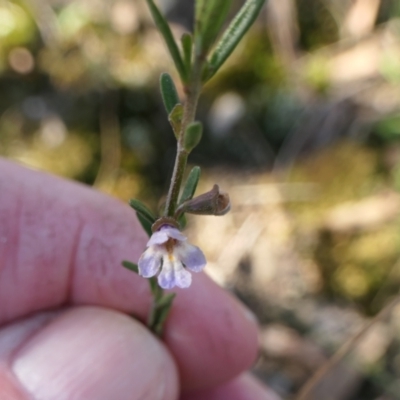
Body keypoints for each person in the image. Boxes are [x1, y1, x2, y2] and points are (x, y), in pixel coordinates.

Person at [0, 158, 280, 400]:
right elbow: (150, 263)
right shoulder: (156, 251)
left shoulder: (175, 245)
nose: (169, 244)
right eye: (164, 241)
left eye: (173, 240)